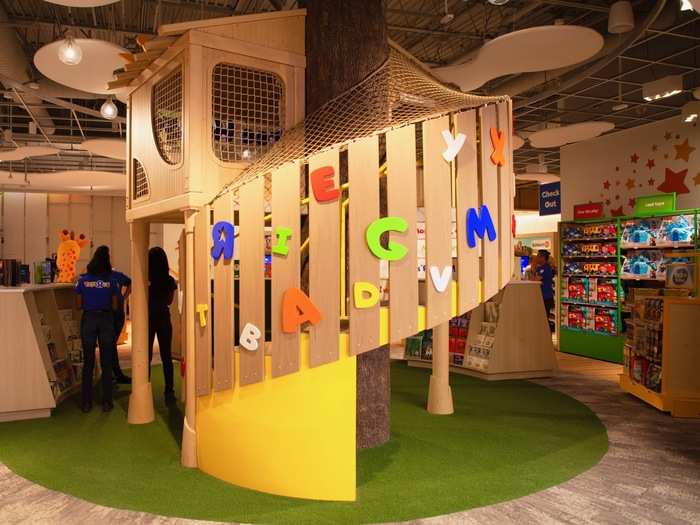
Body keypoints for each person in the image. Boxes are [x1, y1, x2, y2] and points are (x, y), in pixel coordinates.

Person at [75, 247, 119, 413]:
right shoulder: (111, 281)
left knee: (88, 361)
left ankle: (86, 402)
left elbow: (78, 305)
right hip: (106, 320)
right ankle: (107, 401)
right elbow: (115, 305)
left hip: (89, 320)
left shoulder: (83, 280)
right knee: (106, 361)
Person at [92, 246, 132, 384]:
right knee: (109, 344)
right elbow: (129, 282)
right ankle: (113, 373)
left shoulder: (109, 275)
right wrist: (123, 297)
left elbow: (129, 282)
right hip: (113, 313)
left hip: (112, 313)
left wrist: (124, 297)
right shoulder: (111, 276)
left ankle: (111, 373)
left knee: (109, 344)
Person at [148, 247, 178, 405]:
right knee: (167, 356)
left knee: (145, 356)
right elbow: (169, 301)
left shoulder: (145, 280)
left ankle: (144, 388)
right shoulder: (169, 281)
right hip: (164, 317)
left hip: (149, 318)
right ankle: (169, 391)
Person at [534, 249, 555, 332]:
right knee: (540, 317)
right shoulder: (539, 268)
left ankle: (545, 336)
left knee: (544, 318)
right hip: (540, 297)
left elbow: (537, 279)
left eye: (539, 256)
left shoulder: (547, 268)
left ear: (543, 258)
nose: (537, 258)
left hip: (546, 297)